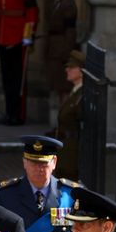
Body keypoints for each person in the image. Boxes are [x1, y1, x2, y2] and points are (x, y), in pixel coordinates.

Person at [0, 0, 39, 126]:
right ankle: (9, 112)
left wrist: (28, 35)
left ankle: (18, 114)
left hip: (18, 35)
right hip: (3, 35)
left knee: (18, 79)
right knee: (7, 78)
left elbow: (32, 12)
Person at [53, 51, 84, 181]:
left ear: (82, 71)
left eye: (71, 67)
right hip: (65, 149)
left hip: (72, 153)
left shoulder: (82, 95)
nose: (67, 70)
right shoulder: (75, 92)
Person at [43, 0, 79, 103]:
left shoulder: (68, 5)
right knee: (58, 86)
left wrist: (67, 53)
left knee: (64, 87)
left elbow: (70, 31)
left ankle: (65, 116)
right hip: (54, 49)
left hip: (62, 49)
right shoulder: (56, 3)